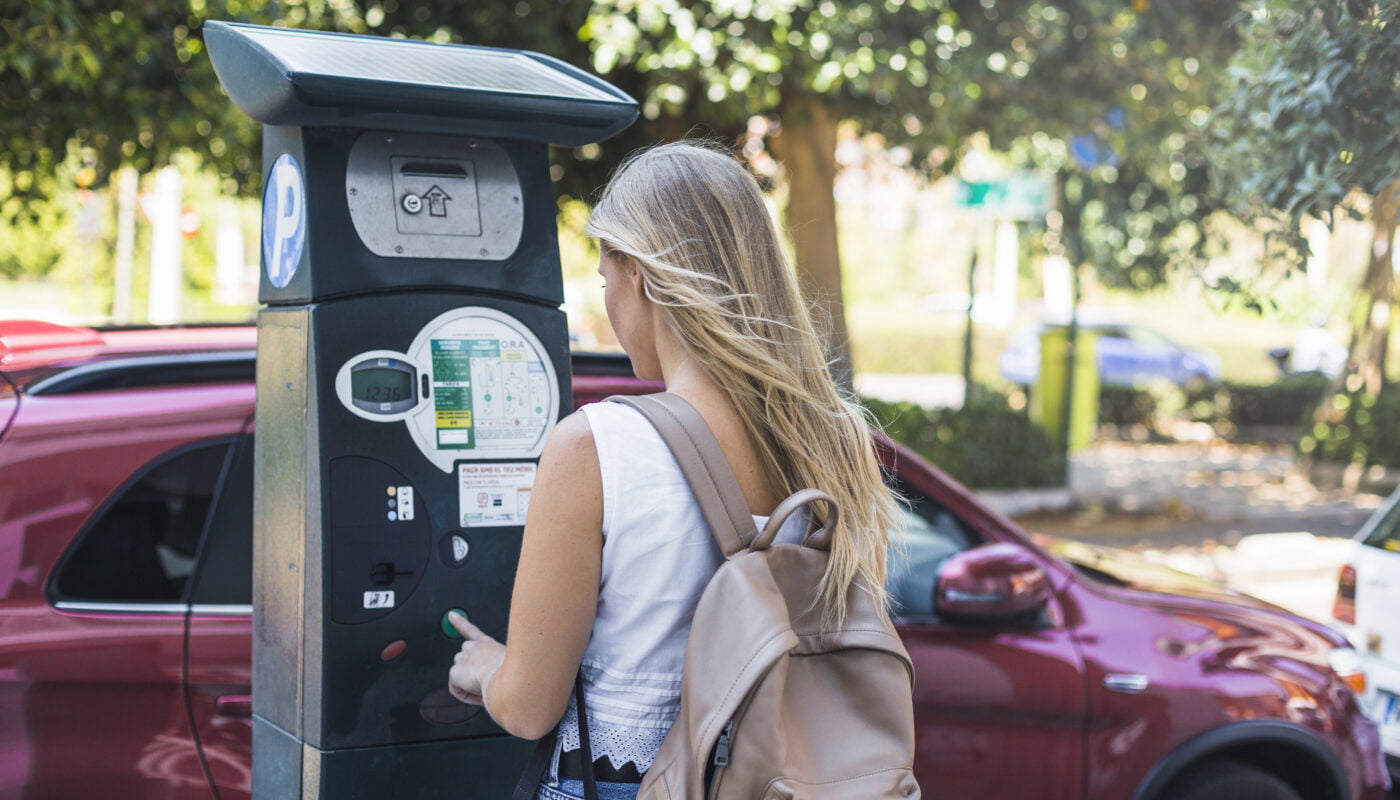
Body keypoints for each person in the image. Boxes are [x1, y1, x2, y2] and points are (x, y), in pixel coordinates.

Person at [446, 141, 900, 800]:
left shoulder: (594, 447)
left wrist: (487, 668)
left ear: (639, 273)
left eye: (605, 281)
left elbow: (527, 707)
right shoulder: (837, 441)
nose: (609, 305)